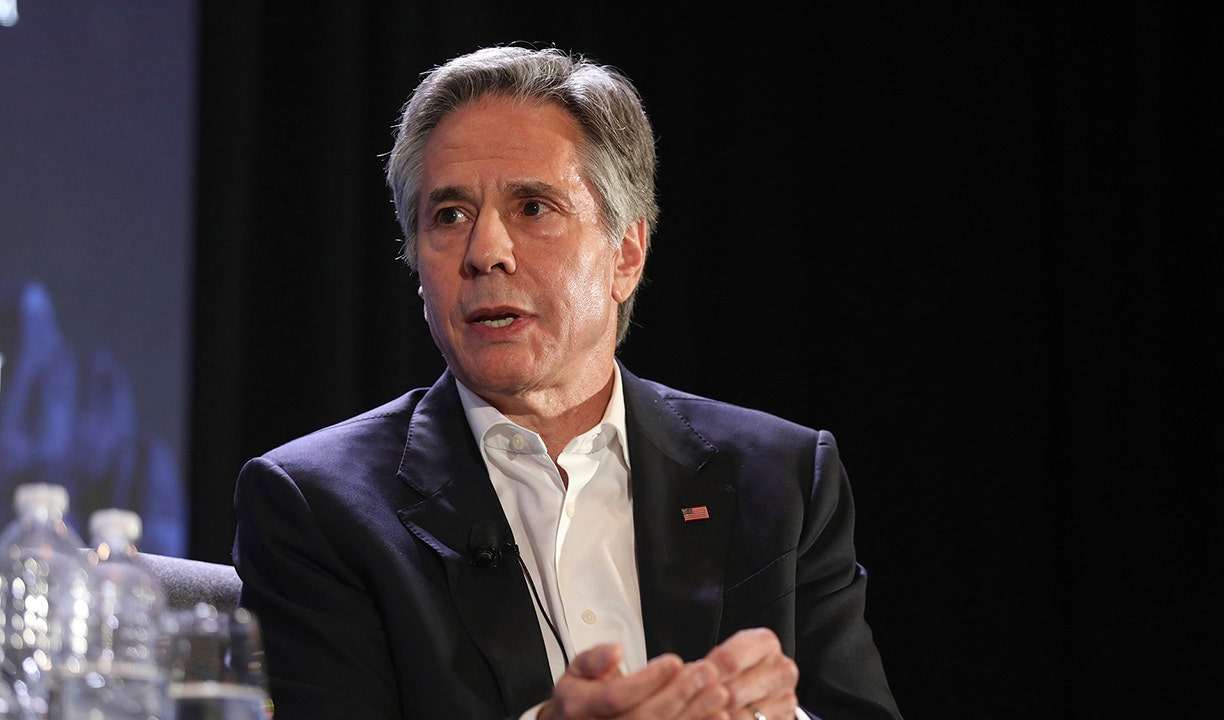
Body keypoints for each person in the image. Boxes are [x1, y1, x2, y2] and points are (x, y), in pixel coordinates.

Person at [232, 44, 903, 720]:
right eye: (449, 215)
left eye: (533, 207)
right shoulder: (318, 506)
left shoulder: (782, 478)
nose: (485, 252)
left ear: (626, 255)